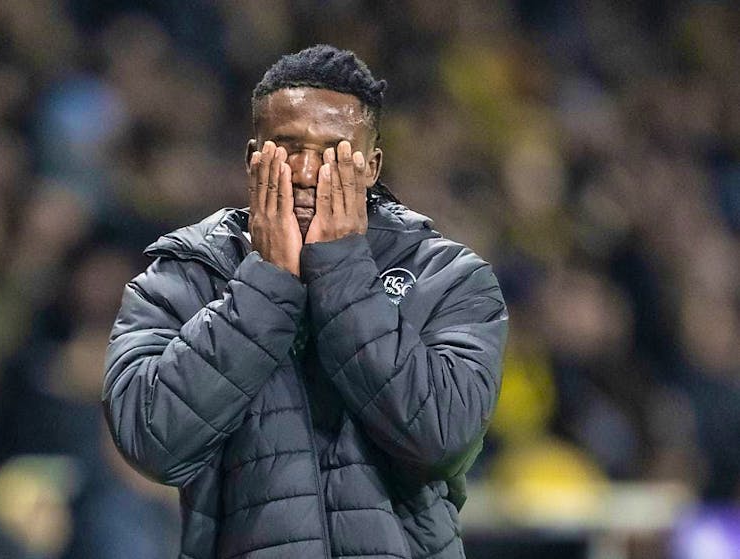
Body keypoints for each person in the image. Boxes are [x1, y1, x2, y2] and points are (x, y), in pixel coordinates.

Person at [103, 45, 508, 559]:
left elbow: (441, 439)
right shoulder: (186, 273)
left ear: (371, 165)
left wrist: (341, 270)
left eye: (333, 151)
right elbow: (151, 443)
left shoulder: (446, 277)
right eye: (287, 146)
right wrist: (268, 281)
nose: (306, 171)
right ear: (253, 154)